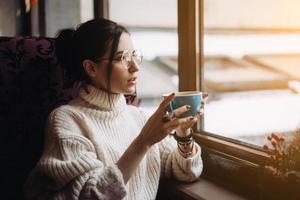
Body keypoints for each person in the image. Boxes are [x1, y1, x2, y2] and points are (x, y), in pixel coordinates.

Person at [24, 18, 205, 200]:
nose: (135, 67)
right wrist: (143, 142)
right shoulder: (66, 120)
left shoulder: (137, 117)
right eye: (122, 58)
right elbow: (91, 195)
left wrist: (183, 133)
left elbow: (186, 171)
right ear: (91, 68)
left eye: (135, 55)